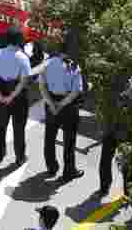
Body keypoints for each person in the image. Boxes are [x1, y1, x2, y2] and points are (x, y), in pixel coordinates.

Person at [38, 46, 86, 181]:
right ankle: (69, 171)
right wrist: (61, 104)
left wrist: (51, 104)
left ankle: (51, 166)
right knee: (69, 140)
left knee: (50, 136)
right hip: (68, 105)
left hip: (51, 101)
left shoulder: (46, 63)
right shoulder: (73, 66)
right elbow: (76, 91)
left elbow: (42, 86)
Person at [0, 26, 32, 166]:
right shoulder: (23, 57)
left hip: (1, 93)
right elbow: (24, 81)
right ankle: (20, 157)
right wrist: (12, 96)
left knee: (0, 126)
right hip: (18, 97)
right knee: (19, 128)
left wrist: (0, 96)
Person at [98, 76, 132, 197]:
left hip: (123, 133)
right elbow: (106, 110)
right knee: (107, 162)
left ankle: (126, 191)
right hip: (114, 132)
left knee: (125, 165)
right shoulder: (115, 92)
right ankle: (106, 187)